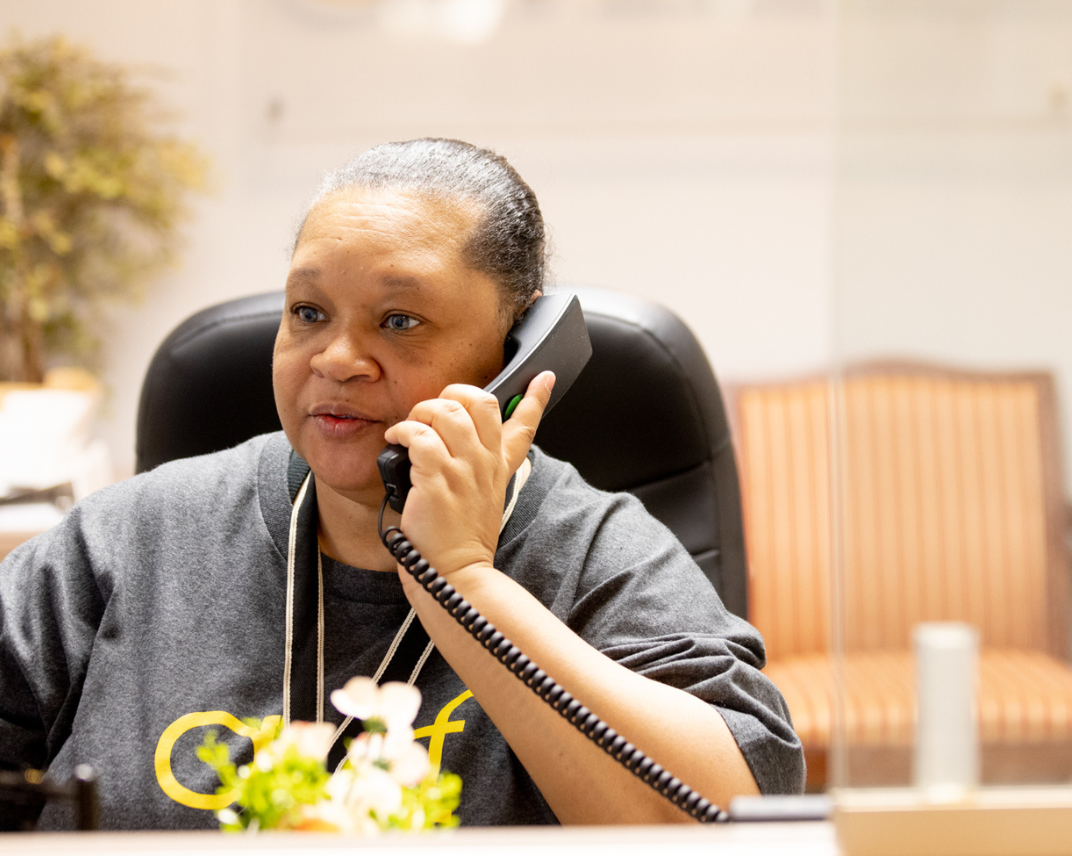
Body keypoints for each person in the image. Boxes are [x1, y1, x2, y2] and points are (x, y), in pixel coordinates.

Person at [0, 138, 803, 830]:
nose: (337, 359)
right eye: (308, 312)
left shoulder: (599, 555)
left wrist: (462, 578)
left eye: (399, 321)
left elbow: (732, 816)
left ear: (516, 355)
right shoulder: (129, 541)